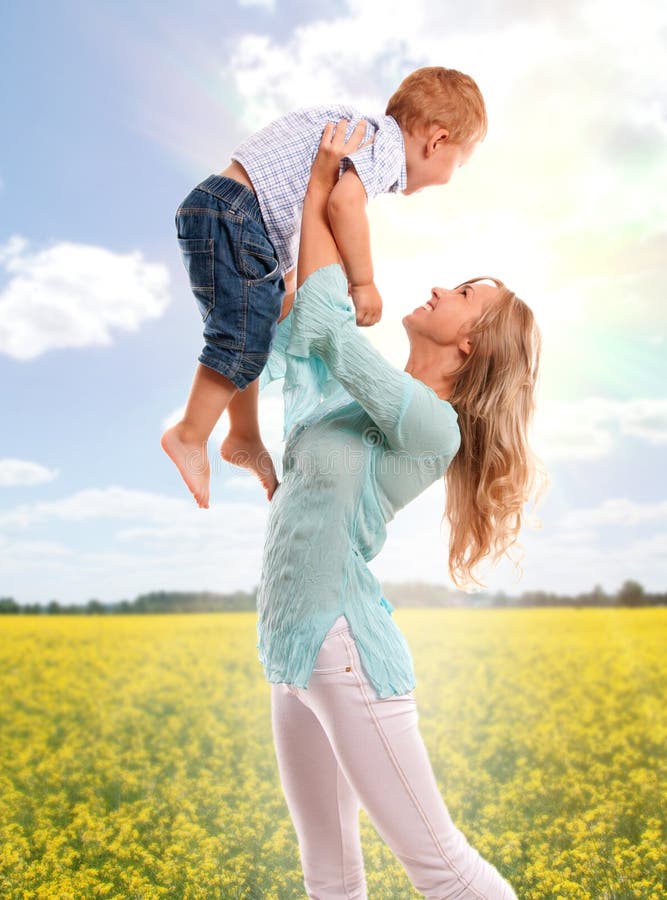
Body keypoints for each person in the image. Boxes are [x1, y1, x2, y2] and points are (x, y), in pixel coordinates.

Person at [255, 120, 543, 899]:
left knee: (441, 870)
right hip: (290, 658)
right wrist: (320, 190)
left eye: (465, 296)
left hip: (346, 656)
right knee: (330, 877)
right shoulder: (344, 410)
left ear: (474, 346)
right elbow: (319, 312)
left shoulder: (427, 424)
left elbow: (327, 327)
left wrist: (323, 191)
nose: (444, 288)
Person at [161, 67, 487, 508]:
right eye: (461, 164)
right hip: (235, 215)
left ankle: (243, 435)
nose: (454, 173)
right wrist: (363, 282)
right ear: (437, 141)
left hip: (235, 215)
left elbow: (305, 196)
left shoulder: (362, 130)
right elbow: (343, 204)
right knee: (239, 337)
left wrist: (285, 275)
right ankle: (190, 434)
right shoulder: (385, 147)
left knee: (259, 325)